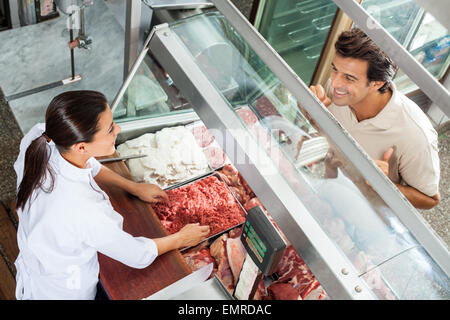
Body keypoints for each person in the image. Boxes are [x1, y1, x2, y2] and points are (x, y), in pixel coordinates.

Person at [13, 90, 210, 300]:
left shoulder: (43, 136)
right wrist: (181, 238)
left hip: (39, 259)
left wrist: (132, 187)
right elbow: (136, 254)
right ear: (81, 146)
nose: (118, 129)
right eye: (109, 129)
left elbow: (87, 163)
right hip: (64, 290)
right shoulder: (82, 208)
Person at [309, 28, 440, 210]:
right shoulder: (338, 92)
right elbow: (327, 132)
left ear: (377, 83)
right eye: (335, 70)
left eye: (349, 78)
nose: (335, 82)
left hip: (367, 214)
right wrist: (311, 113)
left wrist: (384, 186)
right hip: (329, 190)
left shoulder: (415, 136)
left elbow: (430, 200)